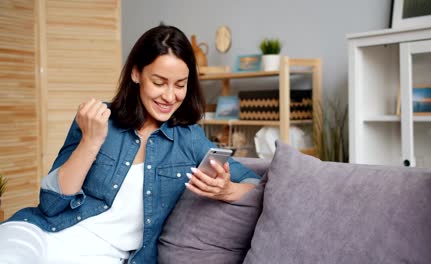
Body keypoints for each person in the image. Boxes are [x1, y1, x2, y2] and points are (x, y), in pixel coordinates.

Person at [0, 24, 260, 264]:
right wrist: (91, 141)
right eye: (159, 82)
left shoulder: (189, 138)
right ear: (136, 73)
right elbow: (51, 204)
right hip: (41, 234)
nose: (170, 96)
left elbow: (255, 183)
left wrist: (227, 191)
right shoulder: (99, 118)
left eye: (180, 85)